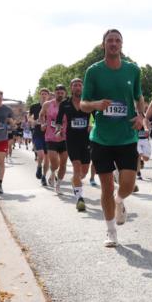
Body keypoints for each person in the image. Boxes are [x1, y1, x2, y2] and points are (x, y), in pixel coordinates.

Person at [81, 29, 146, 247]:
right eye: (110, 40)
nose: (114, 44)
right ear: (104, 45)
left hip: (127, 137)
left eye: (117, 40)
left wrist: (141, 116)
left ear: (121, 45)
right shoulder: (93, 71)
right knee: (106, 187)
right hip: (102, 139)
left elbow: (139, 97)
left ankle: (119, 201)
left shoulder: (132, 70)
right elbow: (83, 103)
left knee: (127, 185)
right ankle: (111, 231)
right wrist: (96, 104)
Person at [56, 77, 93, 212]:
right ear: (71, 88)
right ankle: (79, 198)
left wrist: (93, 126)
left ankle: (75, 182)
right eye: (75, 85)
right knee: (76, 168)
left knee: (84, 172)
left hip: (86, 140)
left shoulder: (88, 102)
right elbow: (59, 120)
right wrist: (58, 130)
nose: (77, 87)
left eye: (79, 85)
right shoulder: (65, 104)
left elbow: (97, 118)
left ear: (82, 87)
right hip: (71, 139)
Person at [43, 85, 69, 193]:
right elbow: (41, 114)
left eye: (62, 92)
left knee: (63, 163)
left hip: (65, 137)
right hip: (51, 137)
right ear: (55, 93)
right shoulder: (47, 104)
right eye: (58, 92)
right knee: (55, 163)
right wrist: (43, 123)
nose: (60, 94)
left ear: (65, 93)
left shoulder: (69, 105)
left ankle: (58, 185)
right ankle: (53, 173)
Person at [30, 88, 50, 183]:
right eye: (42, 94)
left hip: (49, 134)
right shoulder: (34, 106)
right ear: (40, 95)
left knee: (47, 157)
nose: (44, 95)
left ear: (48, 96)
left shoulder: (51, 106)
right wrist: (34, 121)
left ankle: (44, 177)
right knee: (41, 154)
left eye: (45, 94)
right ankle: (39, 166)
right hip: (37, 133)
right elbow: (29, 118)